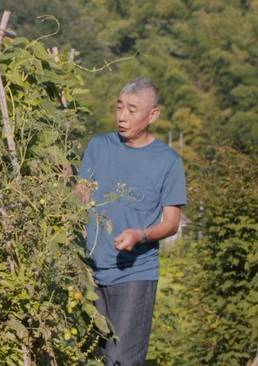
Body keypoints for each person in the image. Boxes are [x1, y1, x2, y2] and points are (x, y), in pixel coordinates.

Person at [76, 77, 187, 365]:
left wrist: (141, 234)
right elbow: (80, 201)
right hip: (90, 272)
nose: (122, 116)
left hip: (135, 275)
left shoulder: (168, 161)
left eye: (132, 109)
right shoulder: (98, 146)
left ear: (152, 115)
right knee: (93, 358)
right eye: (119, 107)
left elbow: (172, 222)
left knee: (121, 360)